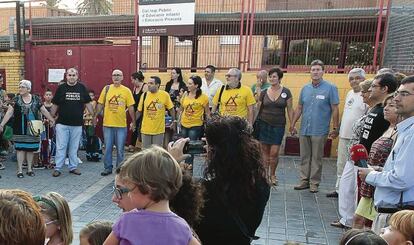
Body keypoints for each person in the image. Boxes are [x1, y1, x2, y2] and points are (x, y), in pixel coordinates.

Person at [169, 115, 270, 245]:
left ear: (214, 152)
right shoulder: (261, 185)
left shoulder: (202, 191)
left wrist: (173, 163)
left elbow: (169, 200)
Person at [103, 146, 200, 245]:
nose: (129, 195)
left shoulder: (127, 221)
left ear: (149, 188)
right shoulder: (181, 227)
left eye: (131, 190)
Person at [359, 75, 414, 234]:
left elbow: (401, 180)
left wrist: (371, 175)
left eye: (404, 94)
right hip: (390, 212)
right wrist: (379, 171)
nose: (396, 98)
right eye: (398, 93)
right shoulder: (406, 130)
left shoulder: (411, 134)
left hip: (396, 215)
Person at [290, 59, 340, 193]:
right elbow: (299, 107)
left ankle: (314, 183)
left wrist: (335, 128)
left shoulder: (331, 88)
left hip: (320, 129)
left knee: (316, 158)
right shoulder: (305, 89)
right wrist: (293, 123)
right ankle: (304, 181)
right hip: (305, 129)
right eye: (313, 70)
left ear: (323, 71)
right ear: (310, 72)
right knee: (304, 156)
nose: (315, 72)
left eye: (318, 70)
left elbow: (335, 109)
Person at [331, 79, 373, 229]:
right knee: (346, 184)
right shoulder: (367, 107)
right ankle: (347, 219)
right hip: (352, 151)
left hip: (361, 156)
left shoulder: (375, 111)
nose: (362, 95)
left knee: (356, 188)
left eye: (365, 91)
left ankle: (356, 221)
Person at [354, 94, 400, 229]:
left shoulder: (400, 133)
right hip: (372, 177)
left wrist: (377, 172)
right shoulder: (388, 128)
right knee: (358, 219)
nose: (386, 109)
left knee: (369, 223)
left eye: (391, 105)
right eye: (385, 105)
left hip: (381, 181)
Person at [0, 80, 55, 178]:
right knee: (20, 149)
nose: (20, 89)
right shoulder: (16, 99)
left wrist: (51, 119)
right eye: (20, 87)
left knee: (30, 149)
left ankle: (30, 169)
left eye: (23, 87)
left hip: (33, 129)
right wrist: (2, 124)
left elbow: (43, 110)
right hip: (19, 128)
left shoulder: (36, 99)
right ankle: (20, 170)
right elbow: (9, 112)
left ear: (28, 89)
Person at [327, 68, 368, 198]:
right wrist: (337, 130)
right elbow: (346, 114)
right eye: (351, 78)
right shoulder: (350, 93)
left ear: (363, 79)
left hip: (356, 140)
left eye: (357, 78)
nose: (354, 81)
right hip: (344, 136)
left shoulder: (366, 96)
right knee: (341, 164)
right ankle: (339, 190)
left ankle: (350, 193)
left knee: (352, 167)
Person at [51, 68, 94, 177]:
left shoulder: (82, 87)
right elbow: (55, 104)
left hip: (77, 124)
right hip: (62, 123)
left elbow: (88, 103)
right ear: (66, 76)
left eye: (73, 75)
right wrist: (51, 117)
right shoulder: (61, 88)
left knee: (74, 147)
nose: (71, 77)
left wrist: (94, 116)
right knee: (61, 146)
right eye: (69, 75)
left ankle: (73, 167)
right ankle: (58, 168)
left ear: (77, 76)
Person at [255, 67, 293, 185]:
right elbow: (258, 108)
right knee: (264, 153)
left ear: (279, 78)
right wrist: (251, 123)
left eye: (274, 76)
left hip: (278, 126)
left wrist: (292, 124)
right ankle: (265, 175)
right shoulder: (264, 92)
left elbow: (290, 110)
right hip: (263, 124)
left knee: (274, 153)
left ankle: (273, 175)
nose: (272, 79)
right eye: (270, 76)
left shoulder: (286, 92)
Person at [95, 69, 135, 176]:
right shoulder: (107, 89)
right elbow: (100, 104)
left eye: (118, 75)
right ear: (112, 77)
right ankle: (107, 168)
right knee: (107, 148)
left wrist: (134, 121)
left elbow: (131, 107)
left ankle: (120, 169)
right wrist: (95, 116)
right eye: (114, 75)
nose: (116, 77)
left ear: (122, 77)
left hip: (121, 125)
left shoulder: (126, 91)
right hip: (107, 124)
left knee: (120, 149)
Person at [137, 76, 175, 149]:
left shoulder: (164, 95)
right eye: (148, 83)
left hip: (158, 130)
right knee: (146, 153)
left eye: (151, 83)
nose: (148, 85)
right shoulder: (144, 95)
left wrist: (174, 121)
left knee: (157, 153)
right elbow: (139, 111)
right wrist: (134, 123)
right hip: (145, 130)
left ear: (157, 85)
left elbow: (171, 109)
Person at [179, 75, 210, 164]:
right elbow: (181, 108)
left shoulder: (203, 97)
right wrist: (177, 121)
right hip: (184, 123)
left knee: (191, 145)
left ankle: (189, 165)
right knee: (184, 145)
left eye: (190, 84)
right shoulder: (185, 95)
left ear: (196, 85)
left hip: (195, 125)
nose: (187, 85)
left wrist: (209, 124)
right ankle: (183, 164)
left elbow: (207, 112)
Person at [128, 71, 147, 152]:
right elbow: (133, 100)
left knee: (140, 127)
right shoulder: (135, 88)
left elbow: (146, 100)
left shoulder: (145, 86)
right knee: (134, 125)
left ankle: (140, 145)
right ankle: (132, 144)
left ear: (136, 79)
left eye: (132, 80)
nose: (131, 82)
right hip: (136, 109)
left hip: (143, 111)